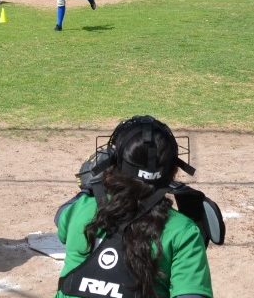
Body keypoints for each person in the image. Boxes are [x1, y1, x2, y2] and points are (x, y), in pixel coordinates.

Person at [54, 116, 213, 298]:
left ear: (114, 163)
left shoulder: (80, 209)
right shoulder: (183, 231)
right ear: (172, 171)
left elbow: (60, 218)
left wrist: (90, 188)